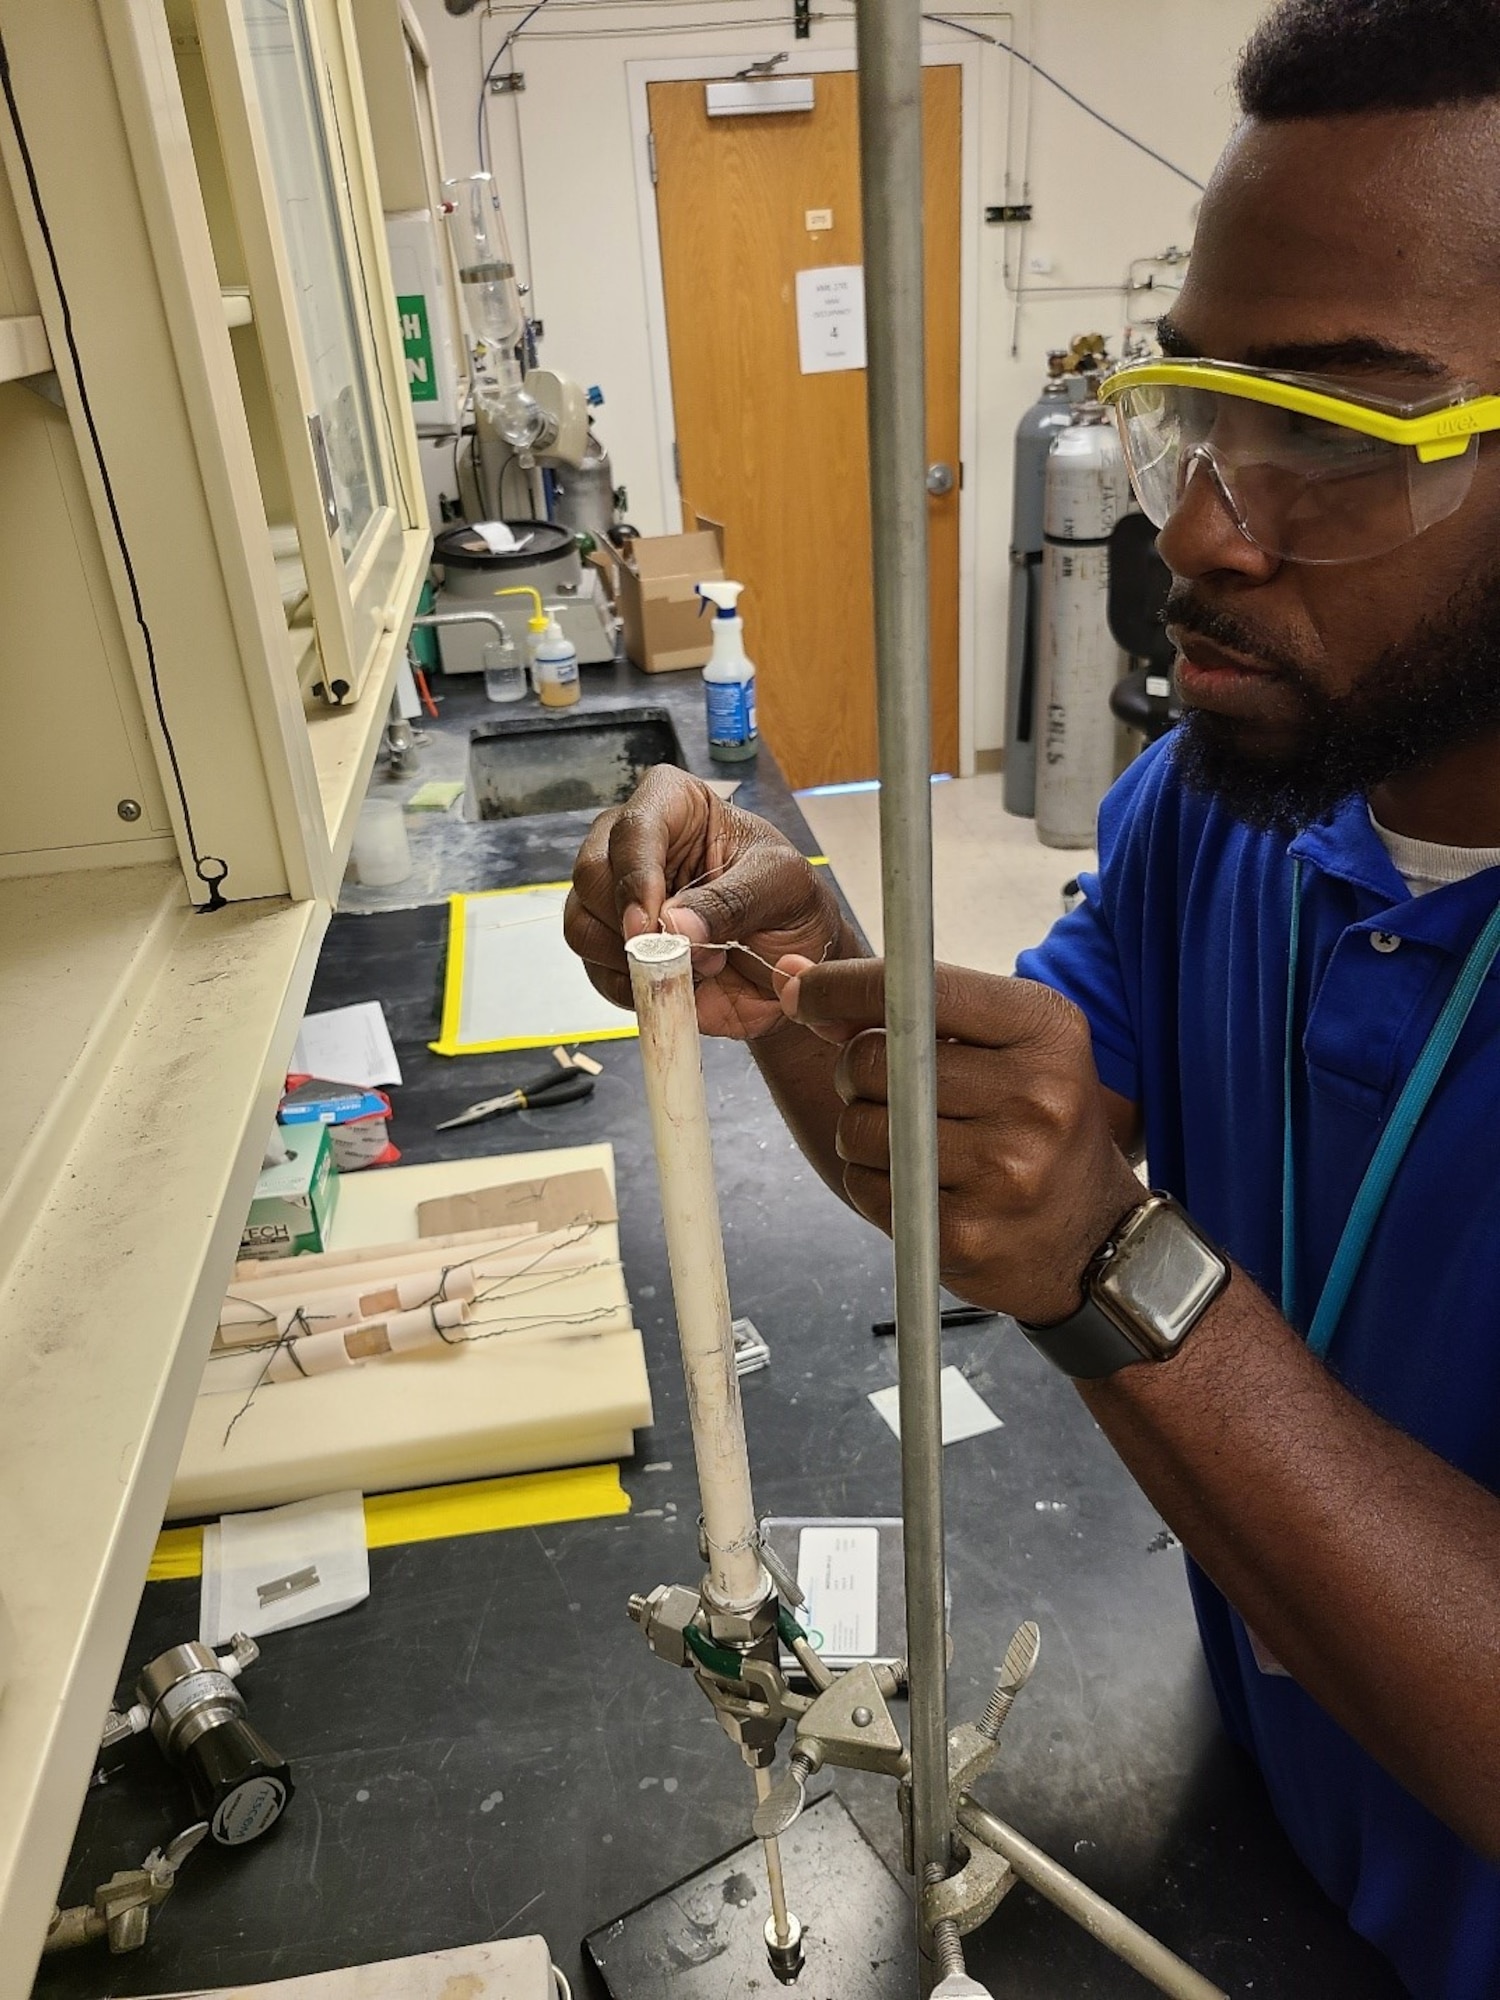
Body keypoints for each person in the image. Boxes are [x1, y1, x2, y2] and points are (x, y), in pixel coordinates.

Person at [565, 3, 1500, 1992]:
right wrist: (796, 965)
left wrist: (1127, 1264)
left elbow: (1091, 1241)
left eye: (1328, 439)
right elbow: (997, 1177)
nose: (1191, 531)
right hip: (1261, 1818)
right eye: (1203, 407)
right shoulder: (1219, 816)